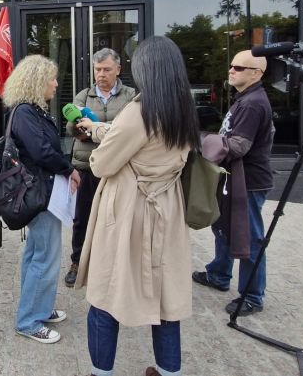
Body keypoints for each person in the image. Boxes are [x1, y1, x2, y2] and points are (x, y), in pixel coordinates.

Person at [74, 35, 199, 376]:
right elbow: (142, 142)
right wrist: (103, 130)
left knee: (105, 296)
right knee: (167, 301)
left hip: (130, 211)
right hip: (168, 209)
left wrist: (101, 141)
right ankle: (168, 371)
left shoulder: (140, 110)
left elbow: (102, 163)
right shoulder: (183, 109)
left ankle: (101, 372)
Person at [2, 54, 80, 344]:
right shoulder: (26, 112)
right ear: (37, 81)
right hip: (41, 193)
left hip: (42, 191)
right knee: (45, 258)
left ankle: (39, 308)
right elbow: (41, 151)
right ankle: (28, 321)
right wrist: (69, 169)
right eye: (52, 79)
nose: (56, 84)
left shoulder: (30, 110)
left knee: (36, 253)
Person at [191, 49, 275, 317]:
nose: (231, 70)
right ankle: (219, 274)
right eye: (232, 66)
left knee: (248, 238)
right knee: (224, 227)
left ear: (256, 73)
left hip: (247, 182)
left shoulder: (252, 104)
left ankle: (252, 296)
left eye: (238, 68)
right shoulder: (245, 99)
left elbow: (238, 146)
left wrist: (202, 139)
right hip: (234, 178)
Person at [63, 48, 136, 288]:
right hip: (87, 167)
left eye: (106, 69)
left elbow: (132, 128)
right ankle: (77, 262)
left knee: (116, 219)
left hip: (118, 168)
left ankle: (114, 265)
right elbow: (71, 128)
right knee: (82, 219)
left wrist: (97, 129)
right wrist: (87, 129)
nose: (101, 74)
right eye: (97, 70)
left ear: (118, 69)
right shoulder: (84, 96)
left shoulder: (131, 96)